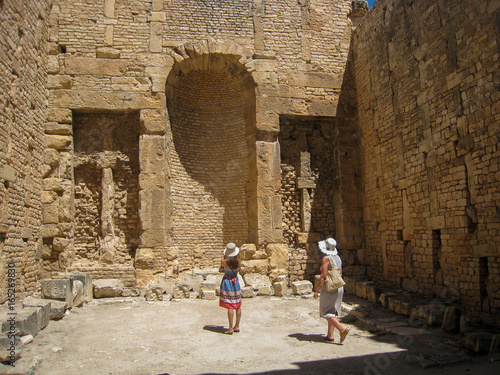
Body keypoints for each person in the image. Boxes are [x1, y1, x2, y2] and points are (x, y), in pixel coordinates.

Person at [313, 237, 350, 343]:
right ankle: (330, 335)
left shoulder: (326, 259)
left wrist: (317, 290)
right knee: (332, 311)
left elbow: (323, 276)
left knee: (326, 312)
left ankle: (342, 329)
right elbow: (340, 274)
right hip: (339, 286)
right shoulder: (338, 258)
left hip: (330, 288)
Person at [219, 242, 242, 334]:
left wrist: (224, 258)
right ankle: (237, 326)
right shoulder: (239, 261)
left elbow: (220, 270)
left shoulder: (224, 262)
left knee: (230, 305)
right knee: (238, 305)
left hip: (227, 283)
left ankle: (230, 328)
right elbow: (239, 270)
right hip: (235, 283)